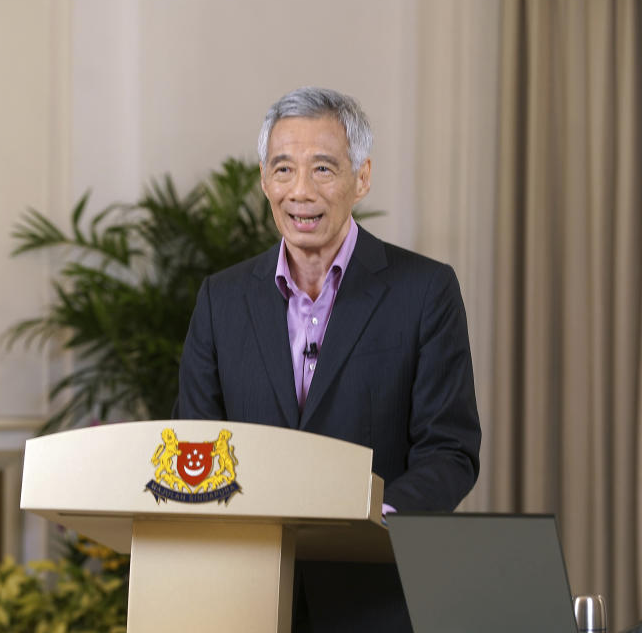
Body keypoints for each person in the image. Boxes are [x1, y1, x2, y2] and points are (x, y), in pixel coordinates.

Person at [176, 87, 481, 633]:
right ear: (264, 181)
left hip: (376, 597)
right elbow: (194, 440)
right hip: (245, 596)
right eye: (284, 169)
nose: (301, 192)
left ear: (361, 179)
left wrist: (369, 520)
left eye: (323, 169)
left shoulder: (425, 290)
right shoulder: (220, 301)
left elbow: (450, 450)